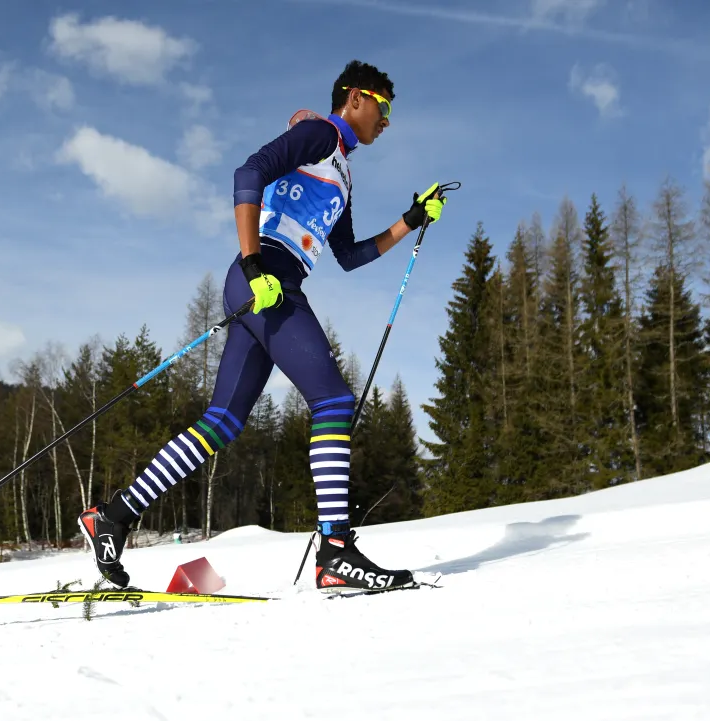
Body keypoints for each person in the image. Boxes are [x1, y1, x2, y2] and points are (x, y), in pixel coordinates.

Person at [78, 59, 446, 592]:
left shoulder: (341, 170)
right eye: (384, 108)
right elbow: (248, 173)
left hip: (273, 281)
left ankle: (111, 517)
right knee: (334, 402)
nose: (386, 122)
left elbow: (348, 254)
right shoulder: (320, 133)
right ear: (355, 99)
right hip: (264, 275)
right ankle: (336, 552)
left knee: (221, 423)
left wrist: (411, 220)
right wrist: (252, 265)